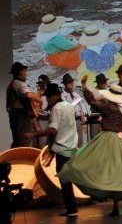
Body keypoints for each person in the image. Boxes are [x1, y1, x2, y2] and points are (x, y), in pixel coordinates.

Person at [59, 76, 122, 218]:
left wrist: (84, 86)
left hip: (109, 139)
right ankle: (115, 206)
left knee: (89, 163)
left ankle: (98, 193)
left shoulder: (109, 107)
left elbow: (91, 101)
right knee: (116, 172)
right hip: (119, 141)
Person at [23, 83, 78, 217]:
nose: (47, 99)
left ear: (57, 96)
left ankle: (71, 209)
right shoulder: (69, 106)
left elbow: (53, 129)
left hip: (62, 148)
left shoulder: (56, 109)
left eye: (49, 97)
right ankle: (72, 207)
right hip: (71, 146)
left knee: (64, 180)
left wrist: (33, 134)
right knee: (68, 178)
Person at [6, 62, 42, 148]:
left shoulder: (11, 84)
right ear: (20, 72)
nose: (26, 73)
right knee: (25, 141)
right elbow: (28, 95)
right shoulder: (20, 83)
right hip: (21, 116)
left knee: (17, 141)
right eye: (24, 71)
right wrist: (40, 101)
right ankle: (24, 160)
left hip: (14, 116)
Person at [61, 74, 86, 147]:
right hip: (68, 121)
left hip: (78, 121)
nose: (71, 84)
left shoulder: (76, 95)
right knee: (70, 143)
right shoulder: (62, 95)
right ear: (65, 84)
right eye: (69, 82)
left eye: (72, 82)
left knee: (80, 142)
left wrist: (83, 123)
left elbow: (81, 109)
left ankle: (79, 158)